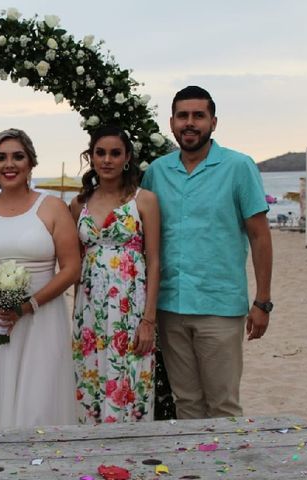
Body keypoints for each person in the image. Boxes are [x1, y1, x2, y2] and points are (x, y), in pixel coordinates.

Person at [141, 86, 273, 419]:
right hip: (170, 306)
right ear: (171, 123)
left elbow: (259, 236)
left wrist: (263, 301)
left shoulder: (238, 167)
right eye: (183, 116)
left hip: (219, 306)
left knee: (223, 404)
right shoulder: (156, 173)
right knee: (186, 401)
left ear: (213, 122)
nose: (190, 123)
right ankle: (195, 470)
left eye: (198, 116)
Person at [0, 128, 80, 428]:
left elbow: (71, 268)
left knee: (38, 401)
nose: (8, 164)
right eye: (0, 158)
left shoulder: (52, 207)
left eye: (17, 157)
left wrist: (27, 305)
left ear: (31, 163)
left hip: (41, 317)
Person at [70, 126, 160, 424]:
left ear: (127, 158)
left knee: (132, 383)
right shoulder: (78, 205)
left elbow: (155, 261)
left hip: (130, 309)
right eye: (100, 153)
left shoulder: (143, 200)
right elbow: (76, 262)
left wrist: (148, 321)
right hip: (90, 311)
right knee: (90, 384)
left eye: (115, 153)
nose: (107, 159)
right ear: (91, 157)